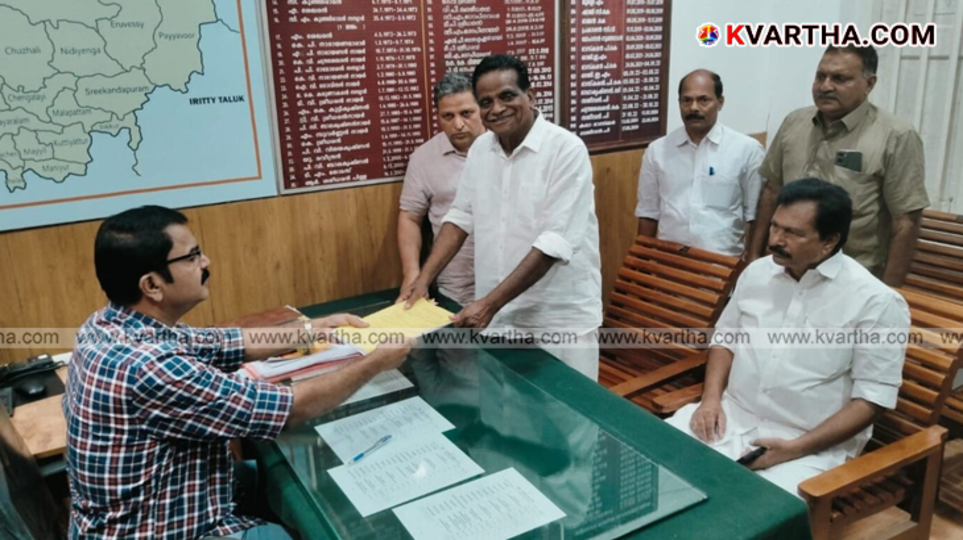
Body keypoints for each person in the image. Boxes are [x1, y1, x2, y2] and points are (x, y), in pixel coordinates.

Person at [63, 206, 410, 540]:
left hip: (159, 502)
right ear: (151, 285)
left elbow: (220, 343)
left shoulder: (109, 324)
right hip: (167, 529)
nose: (206, 262)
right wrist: (375, 361)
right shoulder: (149, 366)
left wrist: (311, 329)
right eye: (192, 256)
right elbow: (290, 407)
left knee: (277, 480)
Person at [667, 178, 909, 496]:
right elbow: (724, 340)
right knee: (652, 466)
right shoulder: (756, 273)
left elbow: (872, 400)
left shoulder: (875, 302)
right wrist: (711, 399)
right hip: (729, 419)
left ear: (829, 242)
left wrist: (794, 449)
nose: (775, 241)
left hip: (808, 448)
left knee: (743, 515)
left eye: (793, 233)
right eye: (775, 227)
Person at [398, 55, 602, 380]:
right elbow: (460, 218)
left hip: (556, 321)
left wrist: (490, 303)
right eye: (486, 102)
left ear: (531, 96)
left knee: (566, 425)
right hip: (499, 319)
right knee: (505, 419)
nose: (496, 109)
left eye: (507, 96)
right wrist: (423, 277)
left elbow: (554, 243)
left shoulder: (566, 149)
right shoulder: (482, 150)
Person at [750, 44, 928, 285]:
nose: (825, 86)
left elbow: (906, 221)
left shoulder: (895, 136)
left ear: (869, 84)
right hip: (785, 270)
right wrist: (755, 257)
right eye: (820, 76)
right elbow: (772, 191)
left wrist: (891, 291)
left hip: (850, 279)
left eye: (840, 78)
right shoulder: (795, 122)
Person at [636, 69, 764, 256]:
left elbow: (754, 216)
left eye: (703, 100)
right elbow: (648, 213)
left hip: (722, 265)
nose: (693, 108)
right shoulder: (657, 151)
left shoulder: (746, 150)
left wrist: (751, 265)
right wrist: (642, 263)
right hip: (669, 262)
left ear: (720, 102)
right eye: (686, 100)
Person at [398, 72, 485, 305]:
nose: (458, 124)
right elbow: (410, 217)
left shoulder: (503, 148)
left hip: (506, 279)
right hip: (455, 286)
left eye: (466, 113)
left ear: (482, 109)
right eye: (448, 116)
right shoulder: (424, 157)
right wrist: (412, 273)